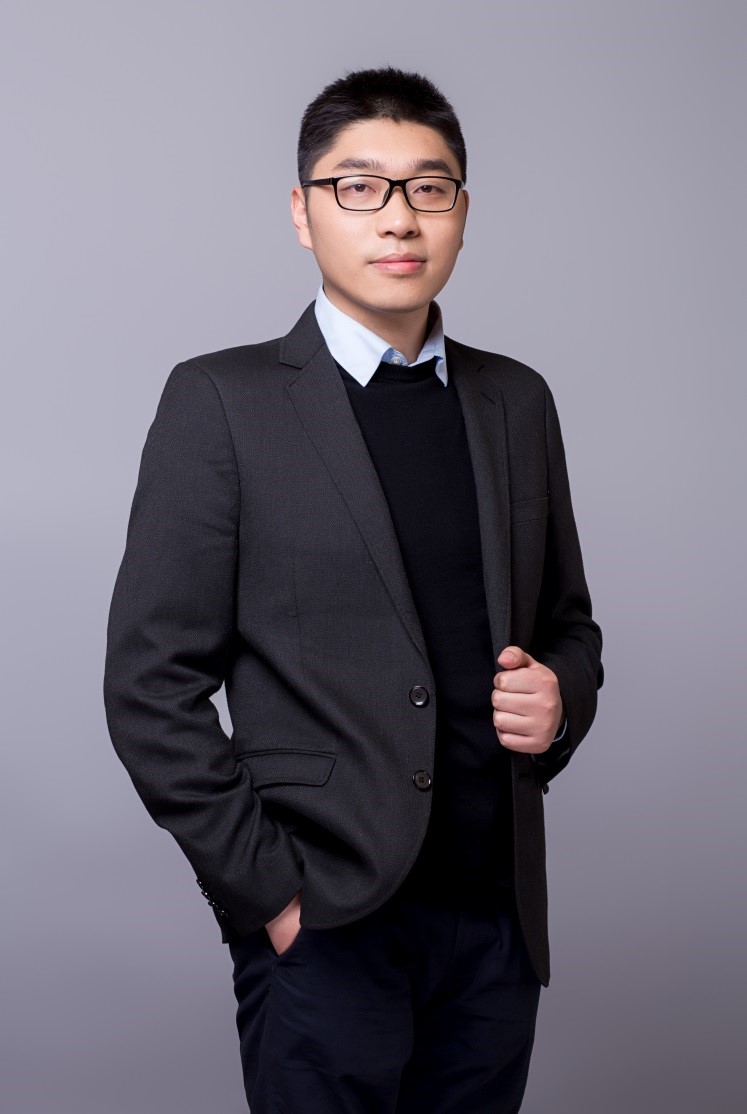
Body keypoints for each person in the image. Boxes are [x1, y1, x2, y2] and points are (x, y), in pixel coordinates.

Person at [103, 66, 604, 1114]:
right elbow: (150, 686)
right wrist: (271, 896)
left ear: (461, 210)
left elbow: (568, 625)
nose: (399, 218)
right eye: (359, 187)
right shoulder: (223, 401)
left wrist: (560, 697)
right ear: (303, 211)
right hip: (325, 921)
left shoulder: (516, 400)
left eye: (430, 187)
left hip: (495, 923)